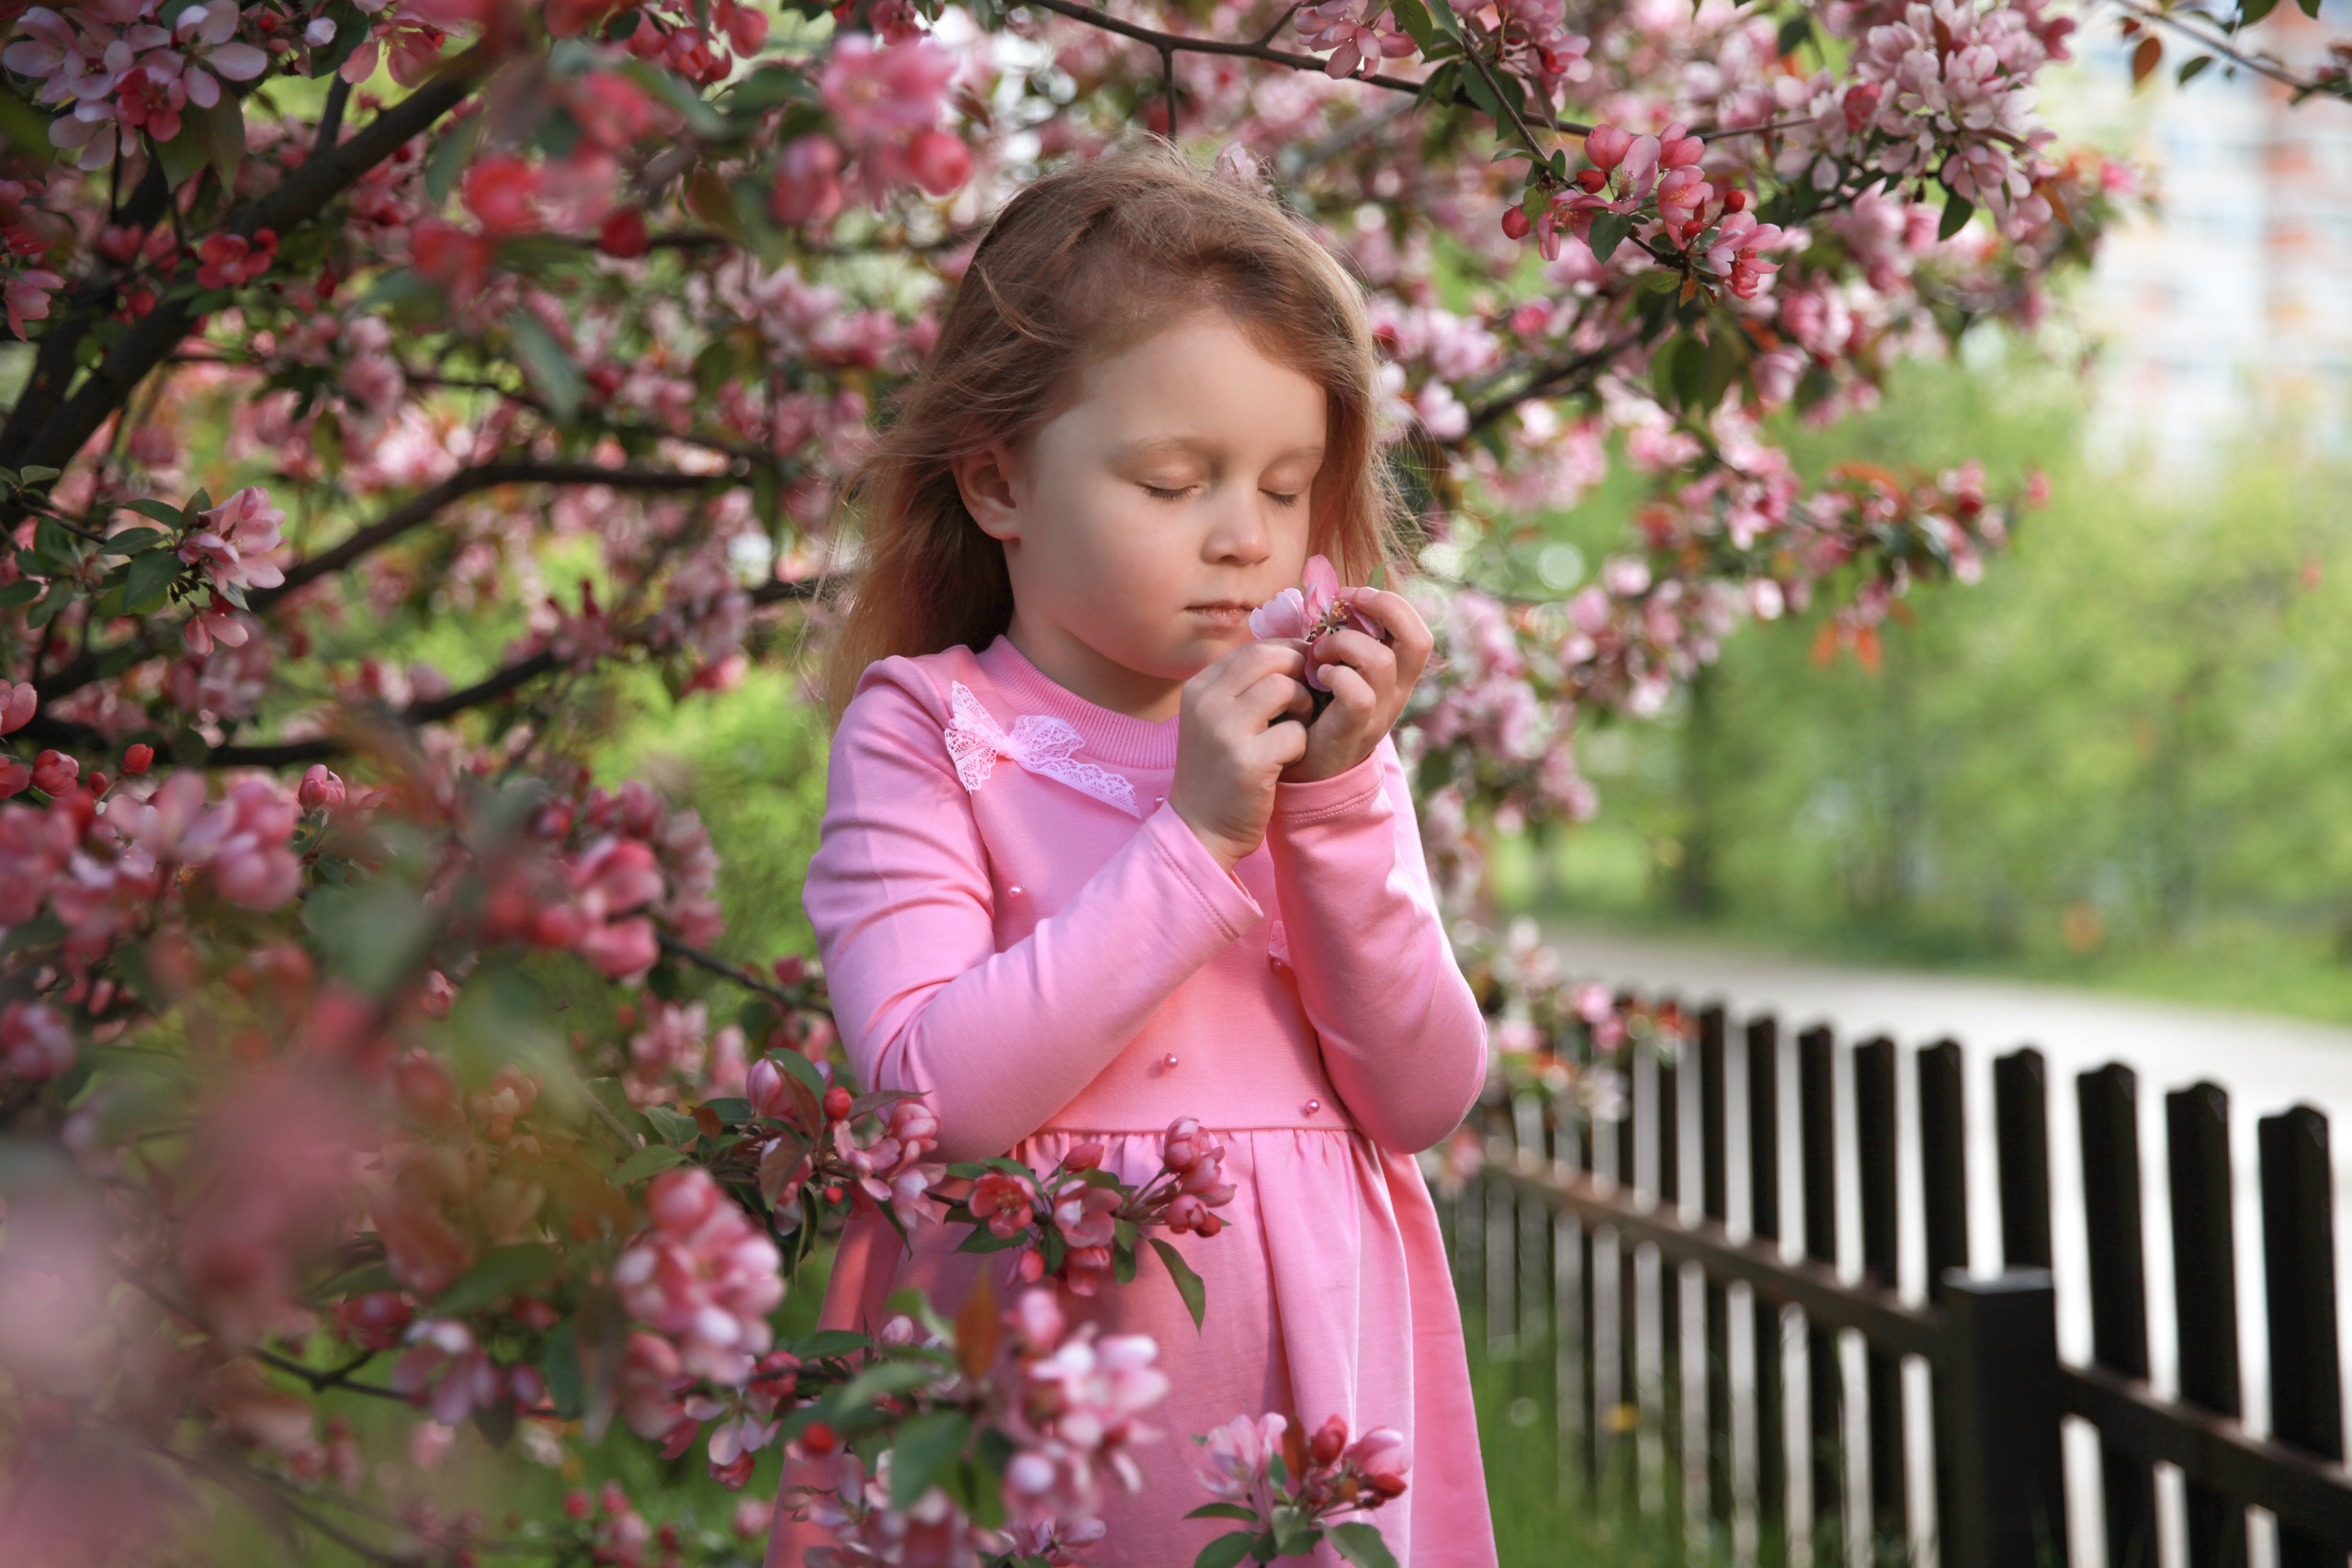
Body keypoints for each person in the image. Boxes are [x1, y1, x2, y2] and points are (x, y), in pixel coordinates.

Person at [764, 136, 1497, 1568]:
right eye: (1174, 483)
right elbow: (931, 1098)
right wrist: (1199, 835)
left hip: (1309, 1377)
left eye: (1286, 490)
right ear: (998, 483)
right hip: (1030, 1373)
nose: (1245, 540)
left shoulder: (1317, 751)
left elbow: (1419, 1095)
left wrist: (1334, 810)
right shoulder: (930, 731)